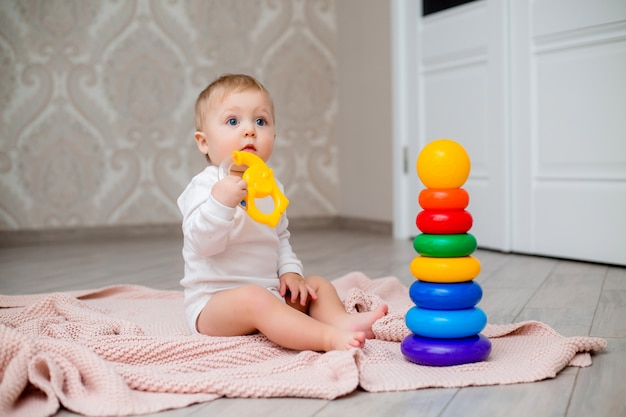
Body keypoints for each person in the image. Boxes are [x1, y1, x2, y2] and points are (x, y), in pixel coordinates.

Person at [178, 74, 388, 351]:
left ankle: (342, 321)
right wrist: (221, 203)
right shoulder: (204, 187)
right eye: (233, 121)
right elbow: (202, 245)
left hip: (269, 293)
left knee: (317, 285)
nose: (250, 130)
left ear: (273, 137)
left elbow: (280, 239)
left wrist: (290, 272)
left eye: (260, 121)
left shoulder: (270, 188)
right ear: (204, 142)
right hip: (214, 304)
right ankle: (325, 338)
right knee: (254, 299)